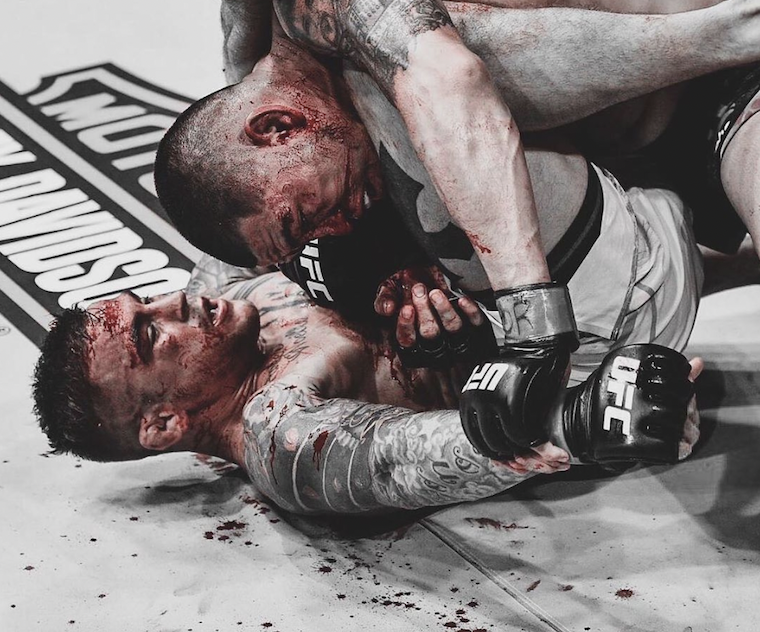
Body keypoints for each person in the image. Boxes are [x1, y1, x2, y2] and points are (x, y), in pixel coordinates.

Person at [32, 254, 701, 515]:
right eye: (150, 334)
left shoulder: (225, 293)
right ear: (163, 424)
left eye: (146, 300)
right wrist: (580, 421)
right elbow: (398, 460)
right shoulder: (279, 428)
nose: (173, 303)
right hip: (603, 319)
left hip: (552, 262)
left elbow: (231, 188)